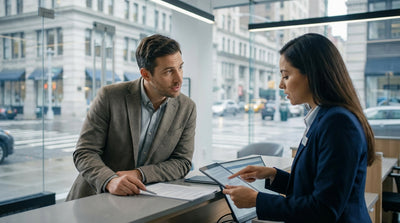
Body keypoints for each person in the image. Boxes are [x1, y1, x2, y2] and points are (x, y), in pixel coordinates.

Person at [223, 33, 375, 222]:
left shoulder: (338, 123)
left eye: (286, 76)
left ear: (311, 74)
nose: (280, 85)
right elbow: (314, 187)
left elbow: (324, 209)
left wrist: (257, 200)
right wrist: (272, 175)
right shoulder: (323, 117)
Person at [66, 34, 196, 201]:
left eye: (180, 67)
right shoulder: (110, 96)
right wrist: (110, 180)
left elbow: (182, 162)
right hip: (95, 198)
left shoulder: (187, 108)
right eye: (169, 71)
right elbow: (84, 152)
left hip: (145, 201)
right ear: (146, 74)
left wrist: (139, 174)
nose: (179, 78)